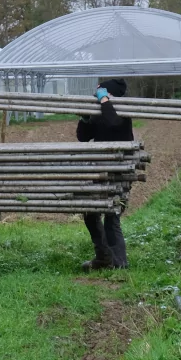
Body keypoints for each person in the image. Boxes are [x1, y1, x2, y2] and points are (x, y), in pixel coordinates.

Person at [76, 78, 133, 271]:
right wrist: (84, 120)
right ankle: (104, 257)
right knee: (91, 213)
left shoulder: (123, 111)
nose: (97, 96)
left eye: (101, 93)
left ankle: (119, 262)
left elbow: (114, 123)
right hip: (101, 170)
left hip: (120, 171)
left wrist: (105, 102)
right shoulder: (103, 111)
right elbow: (84, 137)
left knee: (112, 214)